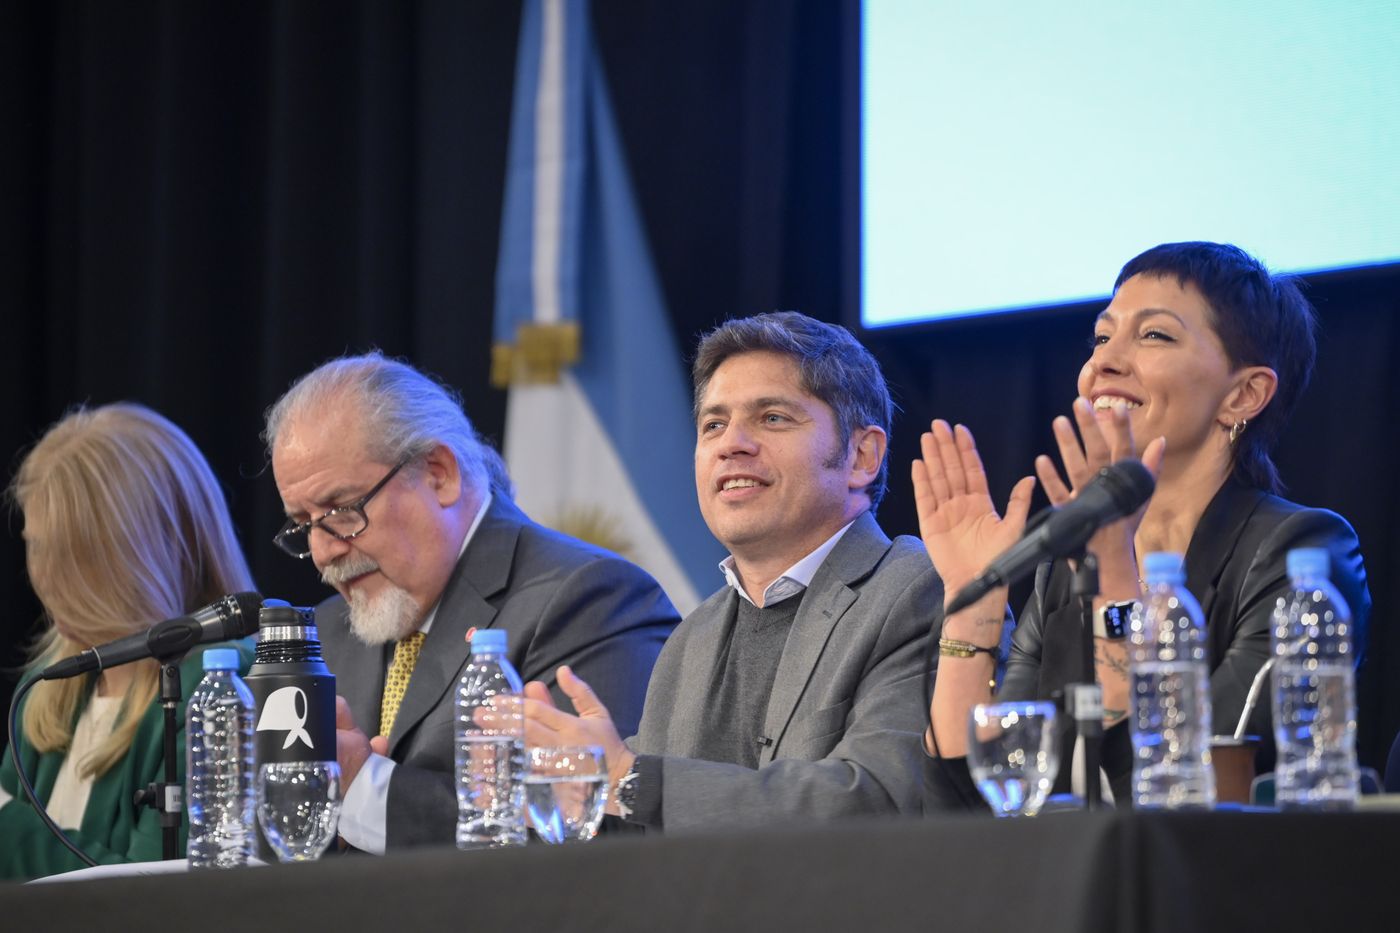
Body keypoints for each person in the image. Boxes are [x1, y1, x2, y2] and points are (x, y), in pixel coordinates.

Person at [917, 241, 1371, 805]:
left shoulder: (1298, 550)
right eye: (1102, 336)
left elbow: (1185, 779)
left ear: (1244, 394)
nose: (1102, 361)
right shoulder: (1063, 568)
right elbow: (977, 794)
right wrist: (974, 603)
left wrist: (1114, 583)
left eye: (1154, 334)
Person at [523, 312, 940, 831]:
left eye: (772, 418)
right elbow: (646, 831)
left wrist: (628, 778)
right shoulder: (690, 638)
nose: (730, 444)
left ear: (861, 456)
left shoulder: (915, 590)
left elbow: (876, 800)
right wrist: (553, 795)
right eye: (713, 425)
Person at [264, 352, 678, 851]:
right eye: (303, 524)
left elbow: (596, 831)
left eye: (341, 510)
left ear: (439, 473)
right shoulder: (328, 633)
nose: (323, 551)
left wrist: (363, 788)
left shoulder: (589, 599)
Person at [0, 404, 257, 880]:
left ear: (149, 557)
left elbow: (146, 899)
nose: (45, 581)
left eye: (74, 560)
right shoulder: (50, 686)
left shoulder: (218, 686)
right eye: (35, 546)